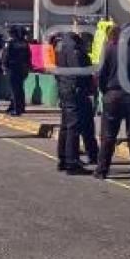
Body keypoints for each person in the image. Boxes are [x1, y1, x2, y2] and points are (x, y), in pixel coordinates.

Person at [94, 24, 130, 180]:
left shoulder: (109, 51)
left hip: (112, 95)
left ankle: (102, 170)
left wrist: (105, 92)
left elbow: (101, 75)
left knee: (108, 135)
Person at [54, 28, 94, 175]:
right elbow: (78, 71)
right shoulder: (74, 48)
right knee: (73, 126)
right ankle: (72, 162)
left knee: (65, 125)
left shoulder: (60, 45)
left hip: (64, 87)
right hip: (73, 88)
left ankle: (63, 158)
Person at [2, 26, 31, 116]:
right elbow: (28, 56)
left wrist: (4, 66)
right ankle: (21, 107)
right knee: (20, 89)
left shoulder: (10, 43)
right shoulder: (24, 43)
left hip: (12, 68)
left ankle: (16, 108)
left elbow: (6, 56)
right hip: (22, 68)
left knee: (14, 89)